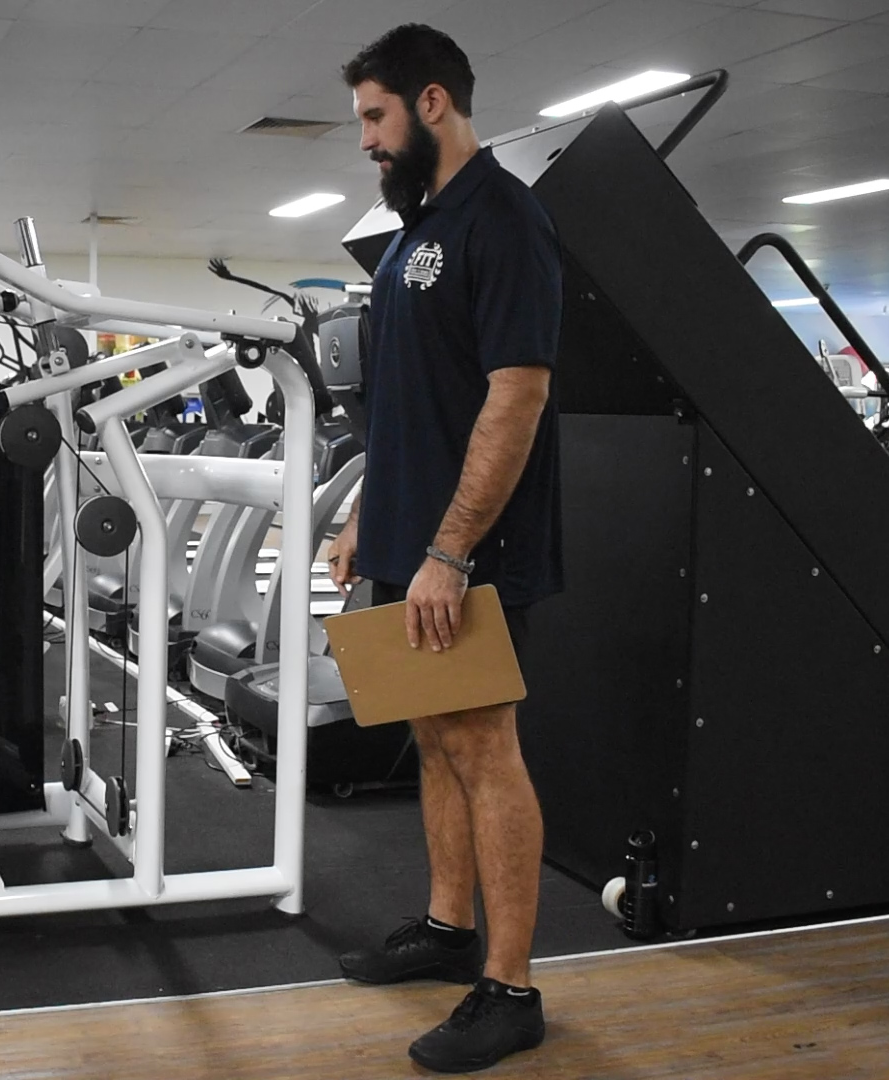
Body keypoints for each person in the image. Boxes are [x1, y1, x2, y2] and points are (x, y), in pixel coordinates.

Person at [326, 24, 564, 1074]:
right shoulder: (415, 231)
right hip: (408, 537)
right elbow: (407, 402)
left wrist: (452, 551)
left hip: (468, 552)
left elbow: (517, 395)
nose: (366, 140)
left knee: (482, 745)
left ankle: (510, 990)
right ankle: (447, 926)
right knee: (432, 738)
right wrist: (365, 515)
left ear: (432, 103)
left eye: (375, 117)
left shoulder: (502, 218)